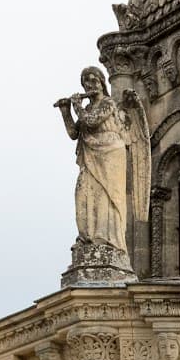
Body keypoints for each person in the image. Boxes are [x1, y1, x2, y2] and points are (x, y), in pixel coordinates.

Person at [56, 68, 130, 253]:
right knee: (83, 192)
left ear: (102, 82)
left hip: (110, 153)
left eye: (93, 80)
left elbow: (92, 121)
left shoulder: (108, 103)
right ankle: (87, 237)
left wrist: (77, 106)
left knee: (106, 195)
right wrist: (66, 111)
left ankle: (106, 239)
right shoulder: (87, 108)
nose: (89, 85)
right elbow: (74, 133)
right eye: (85, 82)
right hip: (90, 155)